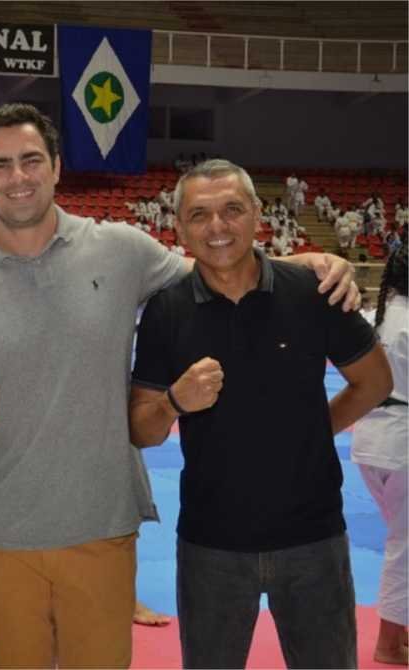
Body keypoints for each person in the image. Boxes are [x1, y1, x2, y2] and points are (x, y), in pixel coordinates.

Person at [0, 104, 359, 668]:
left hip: (103, 522)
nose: (17, 176)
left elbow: (219, 266)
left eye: (31, 160)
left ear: (56, 167)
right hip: (3, 529)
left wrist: (306, 263)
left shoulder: (121, 249)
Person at [128, 159, 392, 669]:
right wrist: (174, 401)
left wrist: (313, 430)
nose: (217, 226)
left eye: (232, 210)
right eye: (199, 214)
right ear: (178, 227)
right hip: (212, 543)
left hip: (314, 535)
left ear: (256, 214)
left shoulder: (314, 291)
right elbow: (142, 430)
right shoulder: (167, 310)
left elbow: (375, 381)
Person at [351, 246, 408, 666]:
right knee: (405, 544)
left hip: (370, 437)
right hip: (403, 441)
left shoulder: (378, 316)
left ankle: (397, 633)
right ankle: (388, 644)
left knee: (401, 537)